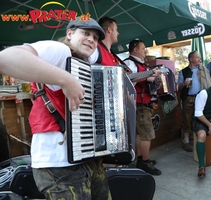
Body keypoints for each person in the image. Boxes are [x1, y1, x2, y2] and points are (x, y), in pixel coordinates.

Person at [0, 18, 112, 199]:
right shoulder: (60, 50)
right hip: (58, 162)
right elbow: (6, 58)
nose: (92, 39)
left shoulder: (84, 64)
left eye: (96, 37)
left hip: (87, 158)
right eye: (85, 33)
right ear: (69, 34)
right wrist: (66, 80)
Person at [123, 39, 162, 175]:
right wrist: (149, 75)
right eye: (143, 48)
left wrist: (152, 77)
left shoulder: (141, 64)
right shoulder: (129, 63)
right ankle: (145, 162)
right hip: (138, 103)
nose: (145, 51)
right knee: (147, 135)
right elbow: (129, 78)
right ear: (135, 49)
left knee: (141, 134)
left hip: (143, 103)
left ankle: (141, 159)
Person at [177, 51, 211, 152]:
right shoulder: (183, 71)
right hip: (188, 99)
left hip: (200, 98)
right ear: (191, 59)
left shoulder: (202, 70)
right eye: (197, 57)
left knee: (202, 119)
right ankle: (186, 142)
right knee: (187, 120)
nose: (199, 59)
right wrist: (184, 83)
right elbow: (178, 88)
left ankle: (201, 139)